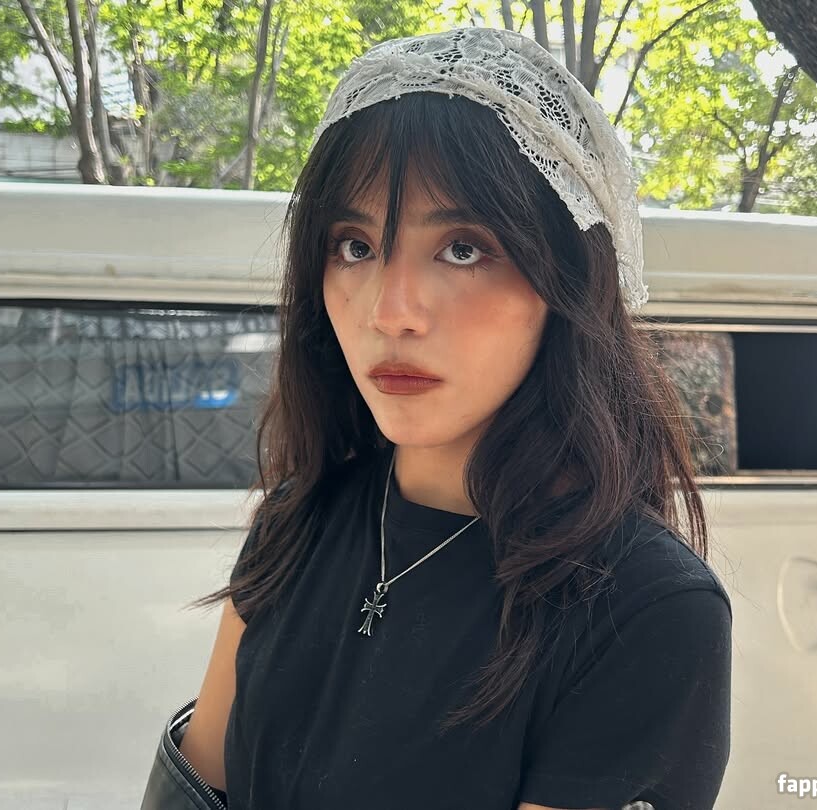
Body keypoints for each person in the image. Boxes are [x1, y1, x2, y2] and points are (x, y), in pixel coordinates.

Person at [182, 25, 732, 810]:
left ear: (568, 280)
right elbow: (197, 786)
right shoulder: (296, 521)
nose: (390, 312)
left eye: (463, 248)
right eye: (355, 245)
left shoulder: (641, 608)